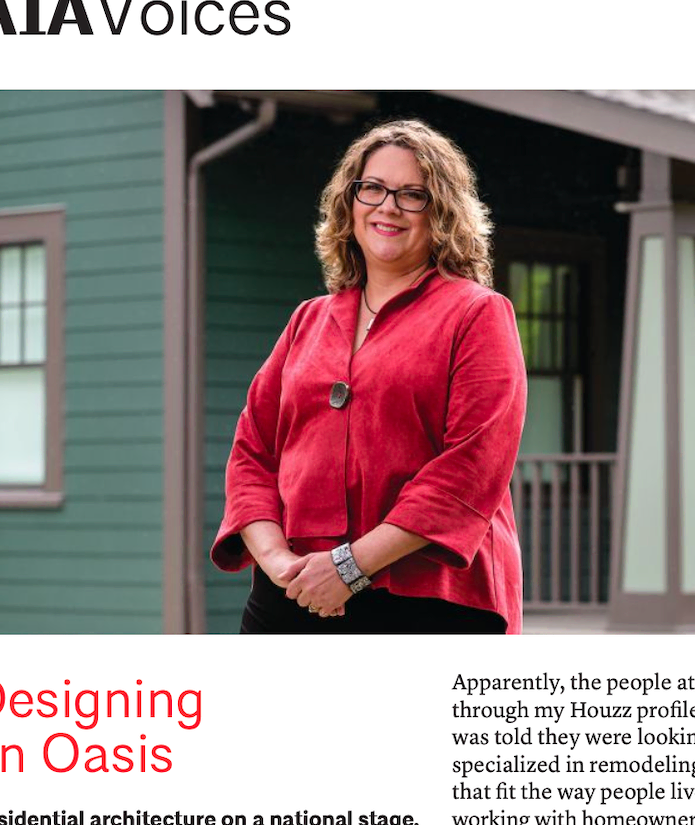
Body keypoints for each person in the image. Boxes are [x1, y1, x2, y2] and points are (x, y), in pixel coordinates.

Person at [210, 119, 526, 633]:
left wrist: (350, 567)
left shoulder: (477, 314)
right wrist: (279, 563)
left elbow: (471, 465)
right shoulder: (307, 320)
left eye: (412, 195)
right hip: (292, 592)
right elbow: (252, 451)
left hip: (425, 596)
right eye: (373, 188)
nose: (388, 206)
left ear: (443, 212)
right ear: (349, 202)